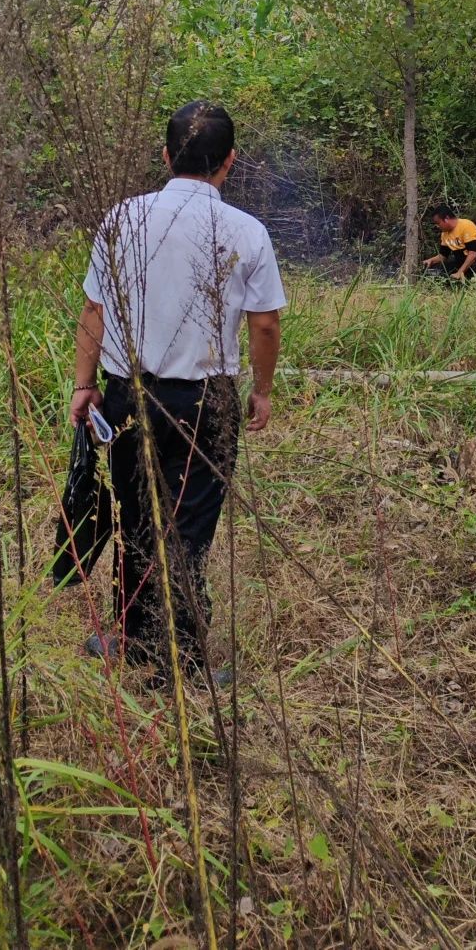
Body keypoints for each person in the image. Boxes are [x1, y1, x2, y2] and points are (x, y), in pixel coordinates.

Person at [71, 100, 285, 679]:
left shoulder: (121, 218)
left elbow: (95, 307)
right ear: (230, 162)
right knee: (188, 525)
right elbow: (265, 323)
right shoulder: (246, 231)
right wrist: (261, 391)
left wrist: (83, 384)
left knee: (135, 511)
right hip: (205, 402)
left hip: (125, 395)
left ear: (166, 157)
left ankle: (134, 639)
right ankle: (182, 661)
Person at [421, 204, 476, 283]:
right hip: (461, 265)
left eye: (438, 223)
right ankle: (459, 281)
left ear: (447, 218)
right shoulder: (444, 234)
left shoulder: (466, 226)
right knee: (434, 270)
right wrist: (431, 261)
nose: (437, 226)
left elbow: (473, 254)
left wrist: (460, 273)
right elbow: (443, 256)